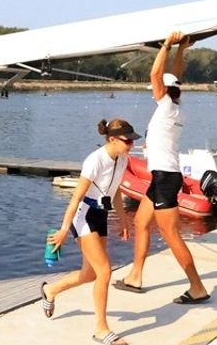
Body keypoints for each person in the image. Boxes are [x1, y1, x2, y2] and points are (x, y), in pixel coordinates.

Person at [114, 31, 210, 304]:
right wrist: (181, 50)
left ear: (164, 92)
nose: (154, 92)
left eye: (158, 90)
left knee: (171, 234)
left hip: (166, 178)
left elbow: (156, 76)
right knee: (142, 222)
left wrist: (166, 45)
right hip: (162, 177)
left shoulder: (167, 105)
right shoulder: (177, 104)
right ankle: (135, 276)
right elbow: (174, 76)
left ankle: (197, 287)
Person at [40, 118, 141, 345]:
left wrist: (123, 219)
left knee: (90, 274)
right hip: (83, 216)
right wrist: (65, 229)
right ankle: (101, 329)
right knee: (105, 271)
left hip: (101, 215)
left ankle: (51, 290)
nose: (131, 145)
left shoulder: (122, 159)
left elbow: (114, 191)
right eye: (127, 141)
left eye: (133, 141)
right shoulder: (94, 161)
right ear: (112, 139)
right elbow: (75, 198)